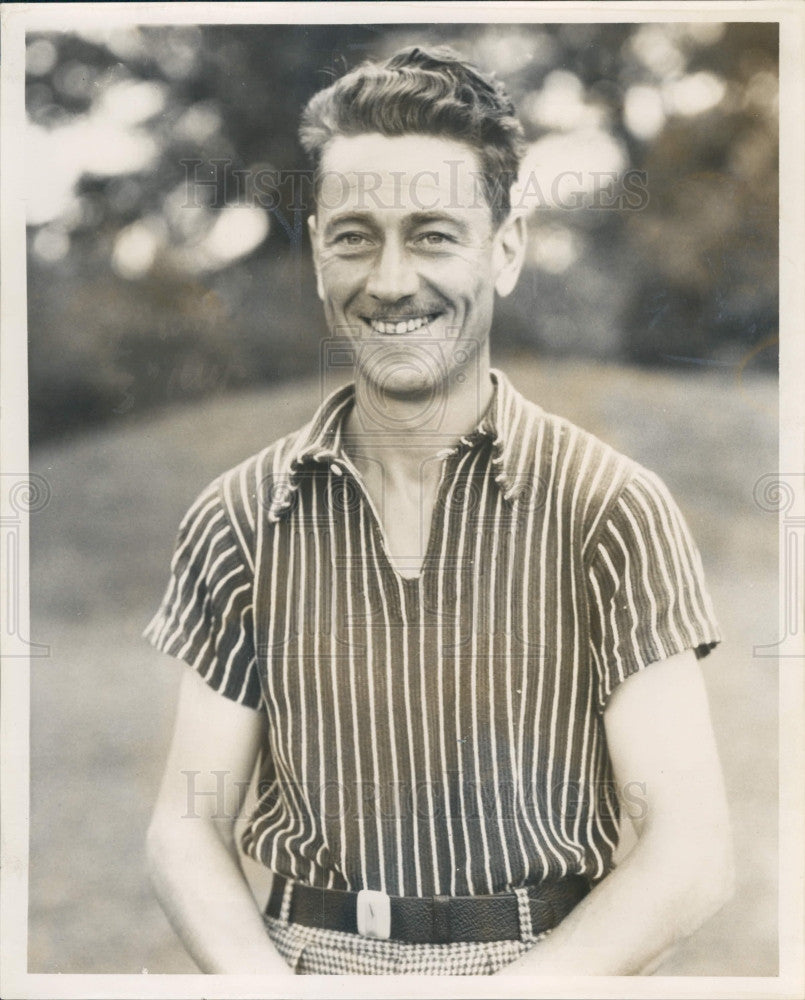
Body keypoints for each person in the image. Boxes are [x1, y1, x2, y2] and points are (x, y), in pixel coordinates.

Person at [144, 45, 733, 976]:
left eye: (431, 234)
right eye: (352, 235)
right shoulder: (238, 517)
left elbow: (689, 853)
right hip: (302, 964)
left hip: (542, 967)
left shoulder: (610, 508)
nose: (387, 280)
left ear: (504, 249)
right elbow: (187, 827)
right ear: (315, 253)